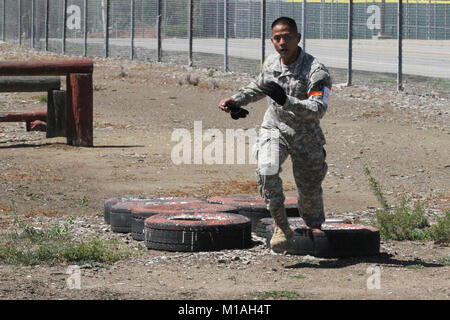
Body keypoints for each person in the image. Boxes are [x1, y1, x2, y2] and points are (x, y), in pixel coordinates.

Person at [218, 17, 332, 249]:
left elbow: (318, 109)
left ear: (298, 38)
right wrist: (236, 100)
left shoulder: (316, 70)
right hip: (275, 128)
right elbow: (259, 86)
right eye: (277, 38)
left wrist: (286, 100)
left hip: (306, 136)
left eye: (287, 37)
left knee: (309, 194)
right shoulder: (270, 63)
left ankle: (315, 237)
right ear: (272, 41)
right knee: (266, 169)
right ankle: (281, 225)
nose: (282, 42)